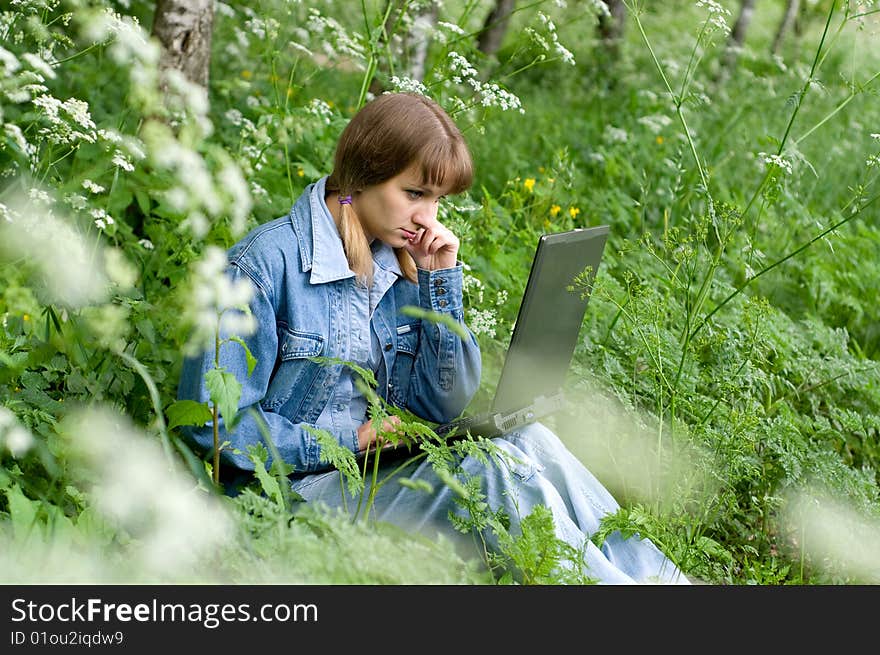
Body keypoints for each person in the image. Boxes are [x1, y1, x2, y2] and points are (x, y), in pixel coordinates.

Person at [178, 92, 689, 584]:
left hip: (379, 471)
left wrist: (439, 280)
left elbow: (440, 406)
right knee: (493, 476)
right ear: (361, 177)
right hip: (300, 492)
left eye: (438, 199)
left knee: (530, 441)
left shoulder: (398, 263)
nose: (428, 218)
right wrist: (349, 441)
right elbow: (215, 428)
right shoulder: (263, 267)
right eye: (415, 194)